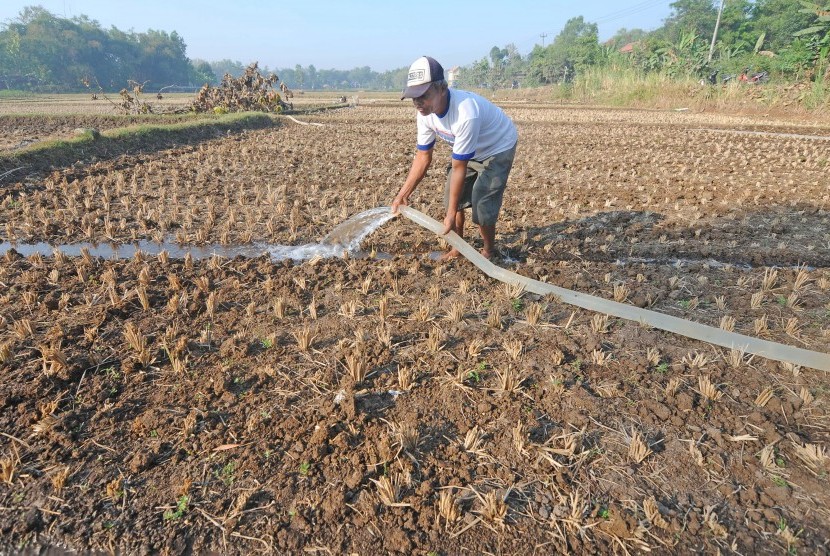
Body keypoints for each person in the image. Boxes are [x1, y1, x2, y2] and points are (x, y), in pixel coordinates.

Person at [391, 56, 518, 261]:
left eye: (423, 95)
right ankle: (458, 248)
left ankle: (488, 251)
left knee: (482, 202)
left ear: (442, 88)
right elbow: (423, 156)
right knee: (452, 195)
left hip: (497, 146)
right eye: (414, 97)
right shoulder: (424, 114)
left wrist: (450, 215)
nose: (418, 103)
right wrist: (403, 194)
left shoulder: (465, 112)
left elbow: (459, 166)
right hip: (471, 149)